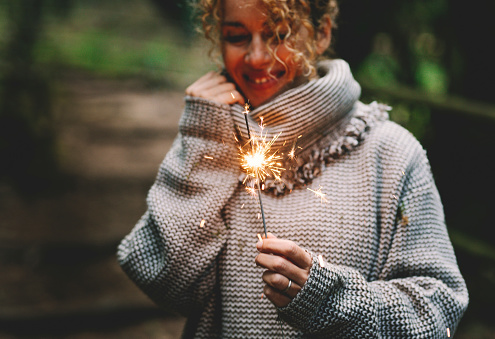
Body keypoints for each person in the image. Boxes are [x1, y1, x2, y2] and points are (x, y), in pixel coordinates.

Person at [117, 0, 468, 337]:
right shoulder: (211, 137)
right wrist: (201, 140)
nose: (256, 57)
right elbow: (163, 281)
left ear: (321, 34)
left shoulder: (390, 152)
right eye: (237, 37)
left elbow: (438, 313)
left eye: (277, 34)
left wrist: (330, 300)